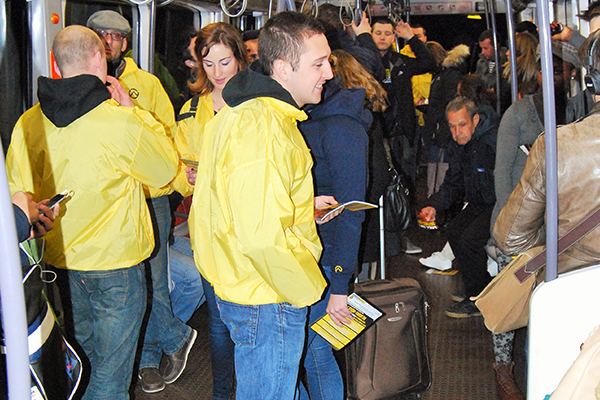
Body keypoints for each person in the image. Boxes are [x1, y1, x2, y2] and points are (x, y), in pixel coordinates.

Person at [5, 25, 178, 399]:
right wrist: (136, 114)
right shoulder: (119, 121)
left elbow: (19, 194)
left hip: (58, 265)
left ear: (56, 62)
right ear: (101, 58)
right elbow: (165, 170)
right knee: (112, 375)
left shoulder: (28, 122)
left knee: (79, 363)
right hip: (116, 265)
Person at [188, 12, 333, 399]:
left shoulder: (240, 113)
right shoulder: (264, 128)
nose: (329, 73)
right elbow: (261, 238)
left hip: (246, 284)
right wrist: (305, 288)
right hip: (267, 295)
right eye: (319, 63)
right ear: (284, 68)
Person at [86, 10, 197, 393]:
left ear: (125, 43)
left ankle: (154, 351)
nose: (106, 41)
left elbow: (166, 140)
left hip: (151, 196)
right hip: (110, 198)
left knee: (153, 279)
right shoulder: (82, 85)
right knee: (131, 286)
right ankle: (160, 347)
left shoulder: (146, 85)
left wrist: (179, 180)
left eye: (113, 36)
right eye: (99, 35)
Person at [488, 40, 581, 400]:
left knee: (550, 297)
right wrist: (508, 225)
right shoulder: (518, 115)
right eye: (550, 70)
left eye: (562, 70)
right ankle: (502, 367)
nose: (555, 77)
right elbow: (501, 174)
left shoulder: (575, 110)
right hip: (518, 216)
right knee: (510, 299)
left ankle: (543, 364)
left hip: (558, 219)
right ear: (540, 73)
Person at [175, 22, 249, 400]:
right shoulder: (191, 111)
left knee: (252, 321)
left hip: (249, 227)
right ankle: (223, 395)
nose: (218, 73)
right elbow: (174, 169)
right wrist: (187, 176)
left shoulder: (258, 104)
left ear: (240, 59)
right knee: (219, 324)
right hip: (207, 228)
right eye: (209, 64)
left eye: (225, 61)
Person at [297, 50, 371, 400]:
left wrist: (340, 284)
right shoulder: (304, 118)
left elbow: (353, 211)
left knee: (315, 350)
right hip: (306, 251)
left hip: (327, 257)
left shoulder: (343, 129)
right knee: (312, 351)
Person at [419, 96, 498, 318]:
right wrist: (434, 205)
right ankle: (478, 287)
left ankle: (478, 297)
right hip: (480, 201)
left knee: (470, 237)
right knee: (454, 231)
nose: (457, 133)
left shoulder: (492, 142)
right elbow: (453, 182)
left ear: (475, 119)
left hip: (500, 203)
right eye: (452, 127)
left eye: (462, 125)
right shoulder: (459, 146)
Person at [371, 17, 436, 255]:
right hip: (377, 135)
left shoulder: (399, 61)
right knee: (382, 186)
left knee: (404, 185)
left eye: (388, 33)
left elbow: (428, 62)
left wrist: (411, 38)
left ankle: (401, 235)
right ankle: (384, 239)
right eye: (378, 32)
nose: (383, 37)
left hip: (402, 134)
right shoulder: (365, 62)